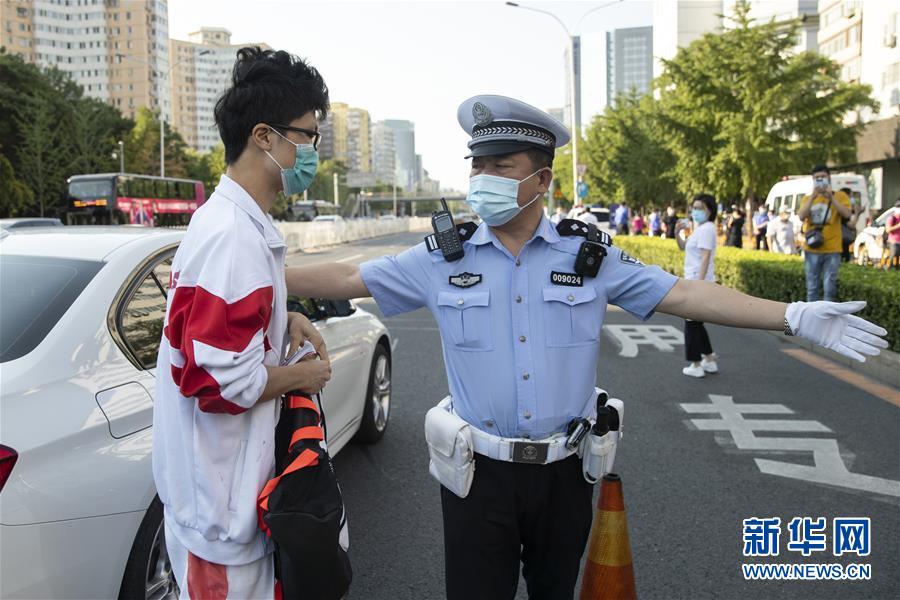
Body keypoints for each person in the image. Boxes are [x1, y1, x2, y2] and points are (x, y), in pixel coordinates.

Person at [282, 95, 888, 600]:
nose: (482, 179)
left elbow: (684, 294)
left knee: (555, 591)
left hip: (565, 473)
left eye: (501, 166)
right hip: (475, 475)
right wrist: (255, 274)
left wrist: (793, 315)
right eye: (477, 166)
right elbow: (347, 276)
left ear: (541, 180)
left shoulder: (588, 258)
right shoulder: (444, 258)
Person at [152, 47, 333, 597]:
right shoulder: (233, 239)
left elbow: (218, 339)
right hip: (221, 514)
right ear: (264, 137)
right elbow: (220, 383)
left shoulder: (227, 222)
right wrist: (303, 376)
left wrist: (285, 318)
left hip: (218, 500)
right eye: (308, 136)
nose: (312, 151)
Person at [677, 194, 719, 377]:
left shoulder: (707, 229)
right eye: (694, 208)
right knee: (696, 323)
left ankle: (695, 364)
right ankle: (709, 359)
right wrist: (676, 232)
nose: (696, 211)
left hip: (697, 282)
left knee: (691, 324)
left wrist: (698, 286)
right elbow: (683, 247)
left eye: (700, 208)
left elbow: (705, 258)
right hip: (695, 281)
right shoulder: (700, 229)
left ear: (710, 210)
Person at [798, 165, 852, 301]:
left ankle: (827, 313)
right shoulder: (807, 198)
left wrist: (831, 197)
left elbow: (847, 214)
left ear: (829, 178)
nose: (820, 180)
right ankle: (812, 313)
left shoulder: (840, 196)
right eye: (816, 178)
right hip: (812, 248)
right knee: (812, 287)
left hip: (832, 248)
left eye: (823, 177)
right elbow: (801, 216)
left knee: (830, 288)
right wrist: (813, 197)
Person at [838, 186, 859, 262]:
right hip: (842, 241)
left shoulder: (837, 207)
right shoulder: (844, 211)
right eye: (851, 196)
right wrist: (857, 213)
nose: (852, 199)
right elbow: (851, 225)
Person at [886, 199, 900, 269]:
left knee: (897, 262)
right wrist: (898, 226)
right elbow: (887, 230)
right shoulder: (892, 218)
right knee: (892, 257)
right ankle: (888, 269)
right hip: (893, 242)